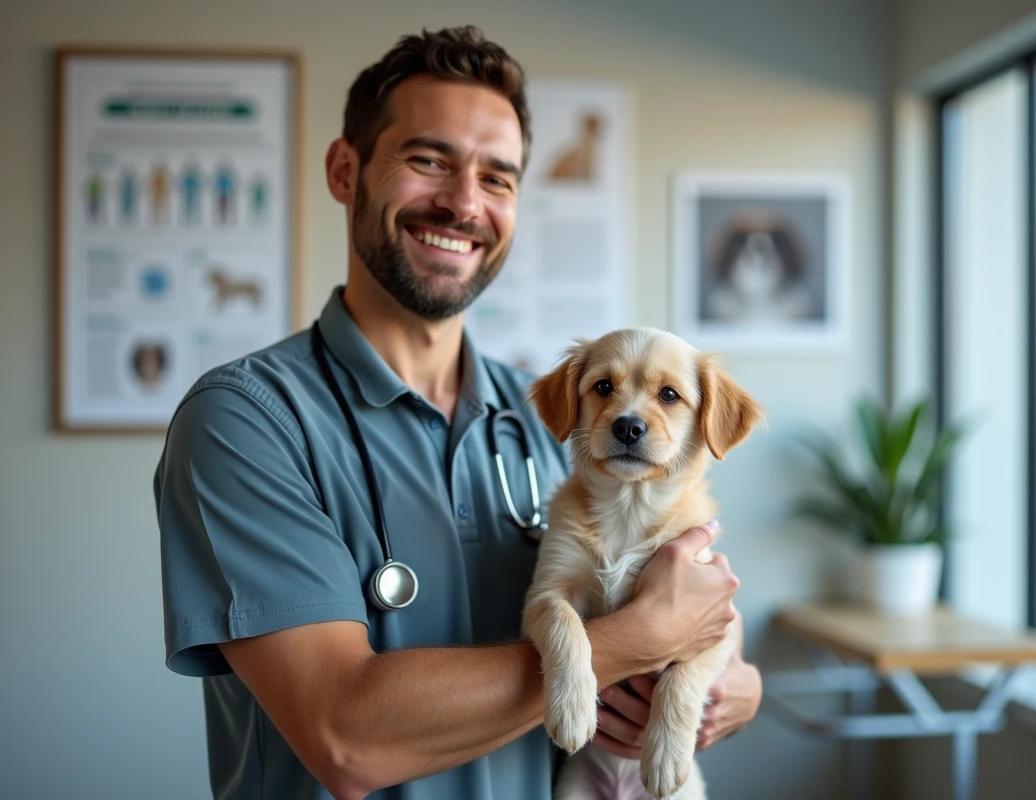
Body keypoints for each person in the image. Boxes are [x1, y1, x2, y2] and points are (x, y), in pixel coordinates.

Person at [154, 25, 762, 800]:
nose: (464, 202)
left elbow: (700, 633)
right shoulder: (246, 422)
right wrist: (634, 640)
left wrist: (738, 692)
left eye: (498, 178)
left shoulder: (552, 415)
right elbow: (346, 740)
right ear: (346, 171)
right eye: (428, 160)